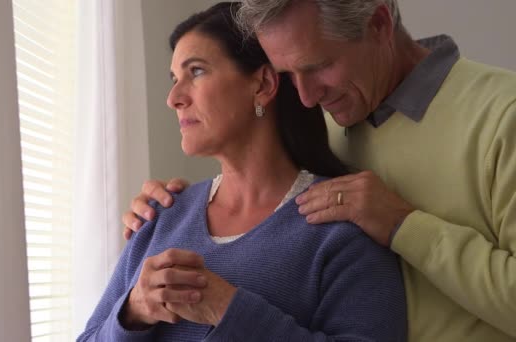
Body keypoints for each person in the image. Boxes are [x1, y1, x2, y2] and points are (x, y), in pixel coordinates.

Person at [123, 0, 516, 341]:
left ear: (379, 25)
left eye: (319, 65)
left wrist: (403, 225)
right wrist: (172, 212)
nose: (307, 97)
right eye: (289, 75)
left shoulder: (503, 116)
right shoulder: (326, 123)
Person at [78, 3, 406, 341]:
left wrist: (227, 310)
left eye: (197, 71)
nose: (174, 97)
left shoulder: (343, 226)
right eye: (175, 79)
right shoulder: (159, 216)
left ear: (263, 84)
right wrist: (132, 313)